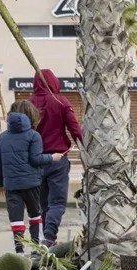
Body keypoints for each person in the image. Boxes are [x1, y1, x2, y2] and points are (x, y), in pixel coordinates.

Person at [0, 100, 63, 254]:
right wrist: (52, 158)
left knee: (16, 219)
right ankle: (36, 248)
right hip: (32, 184)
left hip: (11, 186)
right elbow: (36, 159)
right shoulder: (34, 135)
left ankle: (19, 252)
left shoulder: (3, 137)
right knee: (35, 215)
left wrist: (0, 183)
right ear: (32, 116)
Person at [29, 69, 82, 249]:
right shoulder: (60, 101)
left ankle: (46, 239)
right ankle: (49, 238)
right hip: (58, 159)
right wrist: (85, 149)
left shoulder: (28, 104)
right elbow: (75, 129)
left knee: (43, 203)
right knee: (57, 202)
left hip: (36, 160)